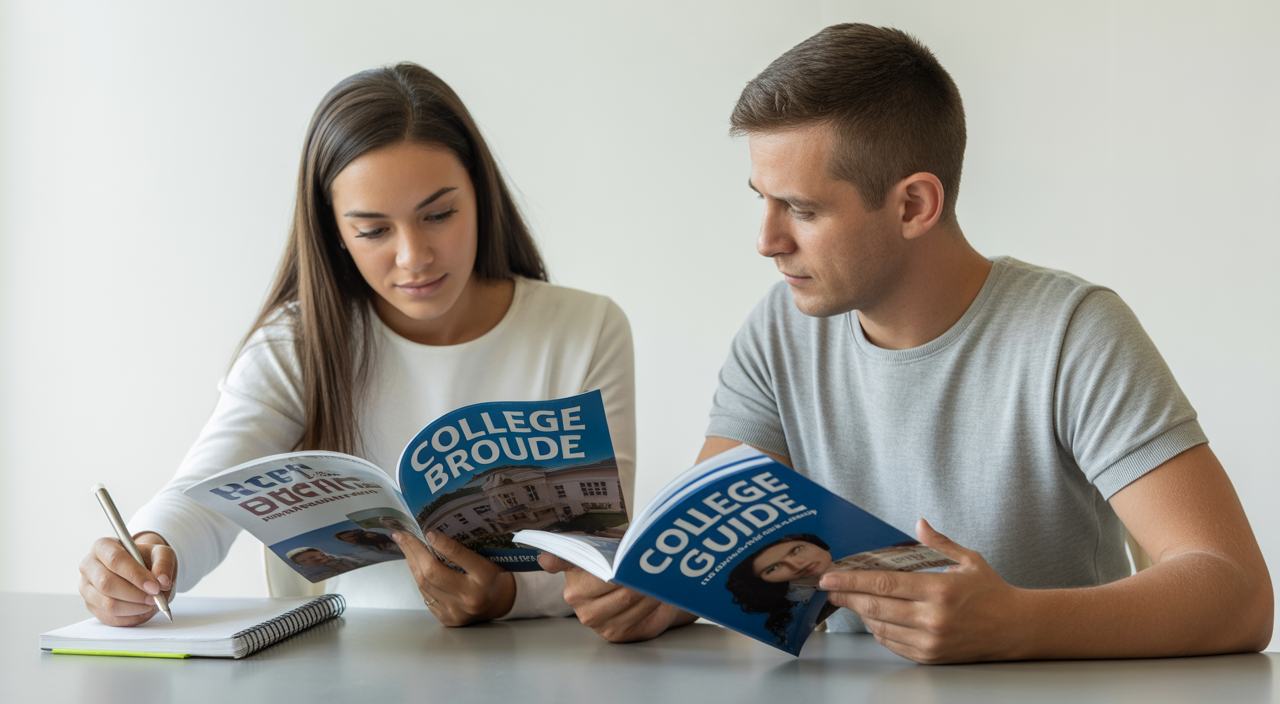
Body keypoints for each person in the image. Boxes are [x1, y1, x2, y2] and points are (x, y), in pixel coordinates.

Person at [542, 24, 1272, 663]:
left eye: (800, 208)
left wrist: (1015, 623)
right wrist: (656, 594)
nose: (765, 241)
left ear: (915, 205)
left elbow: (1237, 592)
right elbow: (712, 537)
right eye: (760, 200)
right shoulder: (779, 329)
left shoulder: (1072, 331)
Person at [76, 63, 636, 628]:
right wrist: (145, 552)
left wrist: (508, 597)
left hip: (546, 663)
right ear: (335, 233)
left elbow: (604, 557)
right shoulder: (299, 342)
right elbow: (203, 495)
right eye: (373, 230)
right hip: (344, 660)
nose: (414, 256)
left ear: (481, 196)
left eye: (439, 214)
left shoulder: (585, 328)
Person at [333, 529, 401, 554]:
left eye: (353, 535)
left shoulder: (375, 531)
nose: (354, 538)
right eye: (349, 540)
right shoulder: (366, 550)